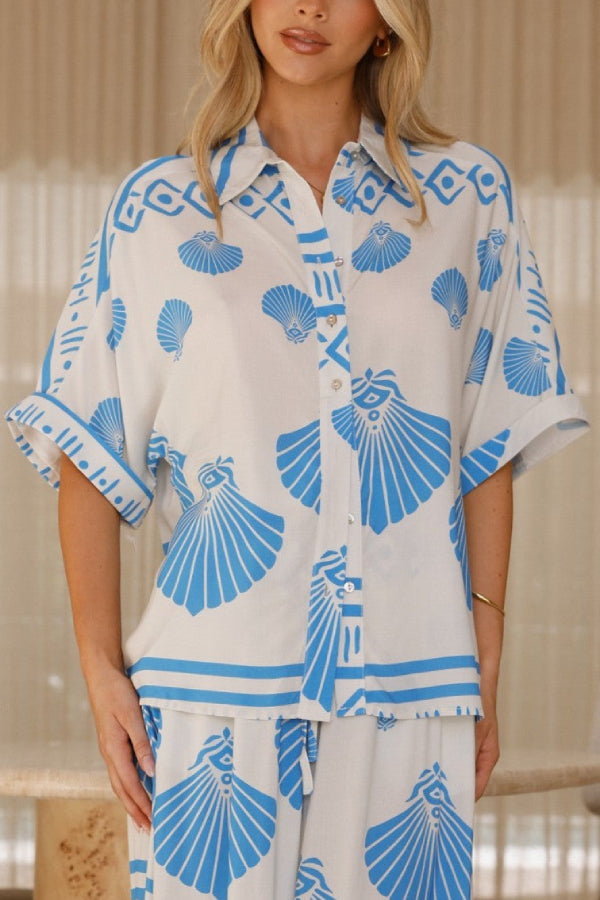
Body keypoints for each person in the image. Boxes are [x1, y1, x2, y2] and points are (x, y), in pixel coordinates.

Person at [5, 1, 589, 897]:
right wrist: (100, 670)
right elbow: (89, 445)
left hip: (411, 685)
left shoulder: (467, 198)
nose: (308, 6)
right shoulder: (158, 208)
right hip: (210, 692)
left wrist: (484, 654)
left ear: (386, 24)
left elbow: (487, 445)